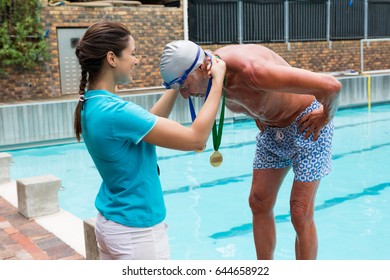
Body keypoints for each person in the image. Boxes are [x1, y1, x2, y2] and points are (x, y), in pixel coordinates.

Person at [160, 41, 342, 260]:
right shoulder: (214, 75)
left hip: (307, 126)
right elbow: (253, 98)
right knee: (258, 201)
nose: (185, 95)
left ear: (200, 68)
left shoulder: (251, 71)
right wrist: (258, 114)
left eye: (184, 85)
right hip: (273, 132)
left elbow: (332, 86)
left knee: (300, 212)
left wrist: (324, 117)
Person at [73, 22, 226, 260]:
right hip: (137, 232)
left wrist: (178, 81)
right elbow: (196, 139)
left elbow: (149, 123)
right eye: (132, 54)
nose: (136, 61)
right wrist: (217, 81)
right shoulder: (114, 112)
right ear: (112, 58)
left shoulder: (92, 103)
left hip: (113, 221)